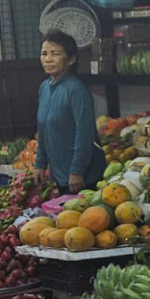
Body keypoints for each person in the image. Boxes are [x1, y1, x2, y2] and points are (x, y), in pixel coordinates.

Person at [35, 31, 105, 194]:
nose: (48, 59)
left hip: (83, 177)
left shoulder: (77, 89)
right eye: (44, 54)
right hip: (59, 173)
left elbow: (85, 133)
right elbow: (43, 129)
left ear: (71, 59)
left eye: (55, 54)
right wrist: (40, 163)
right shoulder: (44, 88)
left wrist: (77, 170)